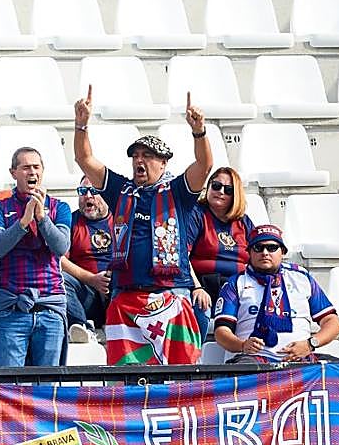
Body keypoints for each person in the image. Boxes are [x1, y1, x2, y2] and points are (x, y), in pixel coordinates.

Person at [74, 87, 212, 365]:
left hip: (170, 294)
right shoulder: (119, 190)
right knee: (126, 377)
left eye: (147, 155)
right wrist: (81, 125)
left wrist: (199, 132)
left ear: (163, 163)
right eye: (136, 155)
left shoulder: (178, 192)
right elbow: (84, 160)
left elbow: (204, 165)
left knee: (178, 375)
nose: (139, 160)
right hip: (125, 297)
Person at [0, 147, 72, 367]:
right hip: (12, 308)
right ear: (13, 172)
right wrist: (23, 222)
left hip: (50, 306)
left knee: (47, 384)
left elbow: (61, 247)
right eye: (25, 167)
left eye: (36, 167)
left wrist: (42, 219)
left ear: (42, 171)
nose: (32, 172)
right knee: (11, 384)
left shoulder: (59, 207)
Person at [212, 224, 339, 364]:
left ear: (283, 252)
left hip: (301, 360)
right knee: (246, 371)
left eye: (272, 247)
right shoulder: (236, 282)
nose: (265, 253)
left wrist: (310, 344)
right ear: (249, 252)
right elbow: (221, 332)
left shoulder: (301, 277)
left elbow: (332, 321)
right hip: (254, 360)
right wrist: (242, 345)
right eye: (258, 248)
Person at [186, 166, 255, 341]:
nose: (221, 192)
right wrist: (197, 288)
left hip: (237, 286)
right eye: (216, 186)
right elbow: (182, 256)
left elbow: (257, 256)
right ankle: (195, 356)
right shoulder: (196, 214)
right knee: (201, 308)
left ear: (235, 194)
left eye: (228, 189)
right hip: (203, 283)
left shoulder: (244, 222)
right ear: (208, 186)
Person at [61, 177, 113, 343]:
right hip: (86, 292)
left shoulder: (122, 218)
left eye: (94, 191)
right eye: (83, 191)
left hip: (117, 289)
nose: (88, 196)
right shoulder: (71, 221)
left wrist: (109, 277)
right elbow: (59, 260)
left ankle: (117, 323)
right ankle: (81, 327)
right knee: (59, 278)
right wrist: (92, 279)